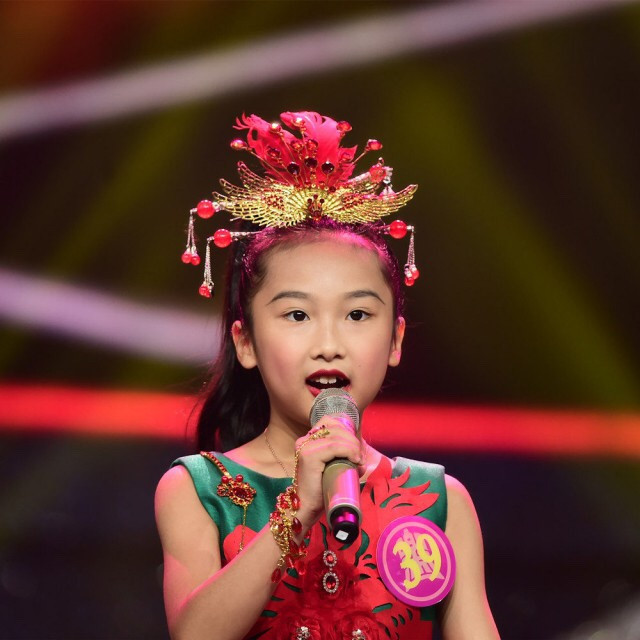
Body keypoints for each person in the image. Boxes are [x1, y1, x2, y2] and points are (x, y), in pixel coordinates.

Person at [155, 111, 499, 640]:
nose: (329, 344)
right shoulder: (198, 489)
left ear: (396, 341)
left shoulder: (438, 499)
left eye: (357, 314)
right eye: (297, 315)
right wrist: (298, 509)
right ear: (246, 343)